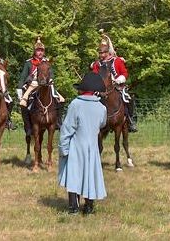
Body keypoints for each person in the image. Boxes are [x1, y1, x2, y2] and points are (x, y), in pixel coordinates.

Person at [58, 72, 107, 215]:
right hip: (92, 146)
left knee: (73, 175)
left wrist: (63, 148)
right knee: (90, 175)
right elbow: (102, 124)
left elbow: (67, 129)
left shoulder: (75, 104)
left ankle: (73, 207)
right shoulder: (102, 108)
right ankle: (89, 207)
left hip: (76, 145)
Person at [91, 30, 138, 132]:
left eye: (103, 53)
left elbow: (124, 73)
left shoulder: (117, 61)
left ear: (108, 52)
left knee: (128, 99)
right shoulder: (97, 64)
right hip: (101, 88)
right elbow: (94, 75)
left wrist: (119, 79)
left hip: (117, 86)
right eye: (100, 53)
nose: (102, 55)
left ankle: (130, 121)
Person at [17, 36, 65, 128]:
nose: (40, 52)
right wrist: (20, 90)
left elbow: (51, 74)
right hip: (33, 84)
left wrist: (50, 79)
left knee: (61, 100)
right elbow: (23, 77)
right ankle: (28, 126)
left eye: (42, 50)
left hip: (46, 84)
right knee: (24, 103)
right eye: (38, 50)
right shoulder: (29, 63)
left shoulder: (47, 62)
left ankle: (58, 121)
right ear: (35, 51)